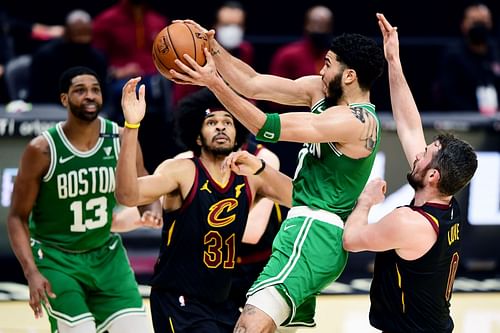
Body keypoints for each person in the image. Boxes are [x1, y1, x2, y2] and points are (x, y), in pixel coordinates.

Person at [168, 18, 385, 331]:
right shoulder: (319, 91)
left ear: (349, 76)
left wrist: (213, 84)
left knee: (247, 326)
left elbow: (263, 126)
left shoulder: (356, 122)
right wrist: (211, 47)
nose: (321, 72)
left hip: (315, 234)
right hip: (302, 226)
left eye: (328, 65)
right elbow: (253, 83)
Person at [116, 81, 292, 332]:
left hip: (222, 300)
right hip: (178, 299)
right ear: (197, 136)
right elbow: (127, 194)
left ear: (237, 135)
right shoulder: (181, 170)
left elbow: (300, 198)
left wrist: (263, 169)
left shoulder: (252, 174)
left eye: (228, 122)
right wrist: (132, 127)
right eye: (211, 122)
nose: (220, 126)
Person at [343, 14, 478, 333]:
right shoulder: (448, 203)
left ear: (433, 176)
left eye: (426, 154)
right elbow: (408, 125)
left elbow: (350, 240)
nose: (417, 154)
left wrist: (365, 202)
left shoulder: (408, 223)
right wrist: (393, 59)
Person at [6, 66, 162, 333]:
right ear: (64, 99)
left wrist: (151, 207)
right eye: (80, 90)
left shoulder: (122, 137)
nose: (89, 96)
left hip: (106, 256)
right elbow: (17, 217)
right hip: (57, 258)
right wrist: (31, 272)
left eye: (95, 90)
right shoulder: (42, 149)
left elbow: (142, 179)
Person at [92, 0, 169, 119]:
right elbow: (95, 58)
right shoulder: (106, 21)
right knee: (130, 94)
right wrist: (115, 72)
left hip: (154, 78)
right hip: (120, 79)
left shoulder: (157, 21)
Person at [172, 1, 254, 105]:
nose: (232, 30)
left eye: (238, 25)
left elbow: (251, 87)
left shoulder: (246, 50)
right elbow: (181, 99)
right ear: (215, 25)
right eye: (226, 24)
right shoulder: (197, 51)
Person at [29, 9, 108, 104]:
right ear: (67, 33)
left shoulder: (98, 58)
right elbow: (38, 93)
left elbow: (104, 93)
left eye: (86, 34)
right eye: (78, 34)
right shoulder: (45, 56)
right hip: (52, 107)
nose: (82, 39)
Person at [434, 3, 500, 114]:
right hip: (465, 117)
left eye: (483, 22)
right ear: (464, 24)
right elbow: (449, 93)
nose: (479, 26)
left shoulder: (496, 52)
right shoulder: (453, 55)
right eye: (474, 22)